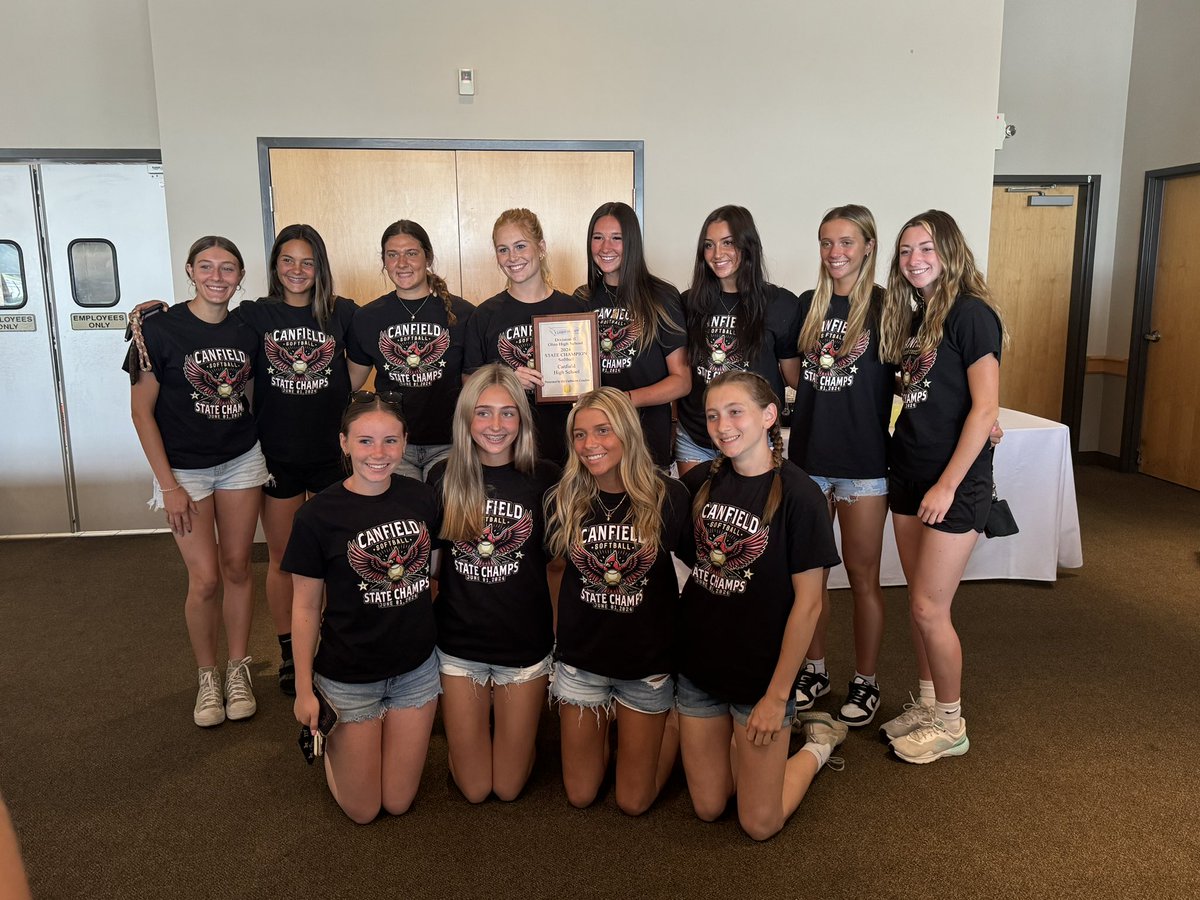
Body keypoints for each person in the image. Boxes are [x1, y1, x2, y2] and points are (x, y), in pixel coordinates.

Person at [129, 225, 370, 695]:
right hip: (275, 454)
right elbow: (202, 326)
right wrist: (150, 315)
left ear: (319, 266)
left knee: (336, 558)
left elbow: (355, 373)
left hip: (329, 455)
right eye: (287, 260)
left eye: (307, 261)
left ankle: (333, 646)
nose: (297, 270)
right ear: (274, 266)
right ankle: (288, 652)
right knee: (282, 559)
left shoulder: (343, 312)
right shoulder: (254, 315)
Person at [676, 371, 843, 841]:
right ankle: (741, 748)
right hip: (699, 671)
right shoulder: (701, 483)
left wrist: (776, 696)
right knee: (710, 807)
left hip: (760, 680)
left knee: (759, 823)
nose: (722, 426)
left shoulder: (801, 495)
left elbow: (809, 606)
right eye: (713, 416)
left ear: (769, 416)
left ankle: (817, 746)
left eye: (735, 412)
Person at [876, 210, 1005, 764]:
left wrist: (948, 486)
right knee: (918, 602)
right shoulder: (913, 318)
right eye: (906, 251)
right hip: (908, 473)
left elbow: (985, 408)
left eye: (926, 248)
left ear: (950, 251)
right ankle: (929, 704)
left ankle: (951, 725)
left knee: (931, 608)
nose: (915, 260)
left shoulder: (971, 314)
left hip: (953, 484)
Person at [125, 236, 269, 727]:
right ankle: (207, 676)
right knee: (205, 578)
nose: (216, 276)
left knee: (237, 567)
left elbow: (251, 391)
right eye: (206, 266)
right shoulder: (158, 329)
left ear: (240, 276)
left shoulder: (248, 328)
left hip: (241, 460)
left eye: (227, 268)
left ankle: (237, 669)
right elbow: (141, 413)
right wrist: (168, 486)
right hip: (183, 471)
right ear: (189, 271)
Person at [283, 392, 441, 823]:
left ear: (404, 442)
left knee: (398, 802)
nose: (378, 453)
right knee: (364, 810)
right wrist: (303, 689)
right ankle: (340, 749)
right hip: (349, 677)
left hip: (415, 673)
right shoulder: (316, 516)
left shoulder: (423, 498)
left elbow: (433, 574)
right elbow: (304, 607)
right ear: (344, 442)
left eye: (390, 440)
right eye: (365, 441)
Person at [544, 387, 690, 814]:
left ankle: (675, 717)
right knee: (581, 794)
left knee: (633, 802)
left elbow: (697, 575)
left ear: (627, 431)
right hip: (583, 662)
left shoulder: (668, 495)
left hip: (644, 666)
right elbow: (555, 570)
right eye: (580, 434)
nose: (590, 444)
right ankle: (612, 724)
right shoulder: (564, 497)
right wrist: (560, 640)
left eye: (603, 431)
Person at [428, 364, 560, 802]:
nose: (496, 425)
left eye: (508, 413)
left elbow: (556, 567)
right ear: (466, 418)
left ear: (522, 418)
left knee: (506, 788)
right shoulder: (442, 476)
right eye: (483, 413)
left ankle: (514, 735)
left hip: (523, 646)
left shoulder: (546, 477)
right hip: (459, 646)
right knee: (474, 788)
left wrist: (556, 638)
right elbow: (434, 571)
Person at [785, 205, 894, 726]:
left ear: (868, 246)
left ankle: (866, 680)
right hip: (808, 460)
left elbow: (922, 374)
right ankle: (815, 670)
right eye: (827, 242)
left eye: (846, 242)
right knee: (810, 579)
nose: (835, 252)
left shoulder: (888, 306)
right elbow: (792, 374)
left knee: (863, 577)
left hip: (863, 465)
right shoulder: (809, 304)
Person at [676, 206, 801, 476]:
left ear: (747, 245)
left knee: (752, 504)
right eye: (709, 245)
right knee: (698, 505)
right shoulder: (687, 303)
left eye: (728, 243)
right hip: (696, 439)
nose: (717, 254)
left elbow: (794, 376)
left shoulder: (780, 304)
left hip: (754, 438)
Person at [348, 220, 475, 481]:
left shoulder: (464, 314)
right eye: (392, 255)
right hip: (392, 444)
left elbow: (475, 384)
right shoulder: (367, 317)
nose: (402, 263)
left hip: (450, 444)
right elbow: (350, 382)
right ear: (384, 262)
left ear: (428, 257)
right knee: (402, 509)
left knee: (444, 509)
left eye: (411, 253)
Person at [463, 208, 587, 465]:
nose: (512, 257)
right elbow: (469, 382)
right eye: (503, 249)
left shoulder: (573, 309)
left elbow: (588, 379)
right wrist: (507, 381)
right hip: (503, 445)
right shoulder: (484, 315)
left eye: (520, 246)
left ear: (541, 247)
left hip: (562, 442)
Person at [573, 202, 690, 469]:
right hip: (596, 443)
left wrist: (621, 401)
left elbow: (681, 381)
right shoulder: (581, 299)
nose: (606, 247)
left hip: (646, 439)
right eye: (598, 237)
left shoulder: (661, 296)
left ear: (632, 242)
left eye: (617, 238)